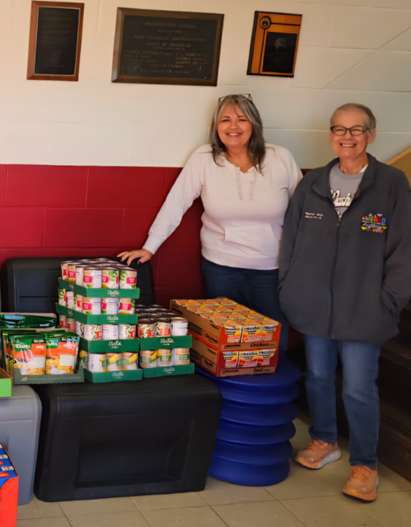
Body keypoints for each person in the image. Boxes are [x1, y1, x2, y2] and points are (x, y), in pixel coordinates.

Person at [280, 103, 411, 502]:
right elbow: (290, 238)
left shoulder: (391, 182)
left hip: (365, 308)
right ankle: (324, 440)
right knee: (318, 376)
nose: (347, 136)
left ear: (371, 135)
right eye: (339, 129)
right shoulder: (314, 182)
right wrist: (290, 286)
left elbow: (404, 250)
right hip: (314, 304)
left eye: (356, 129)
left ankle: (365, 464)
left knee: (359, 387)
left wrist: (389, 302)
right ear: (331, 135)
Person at [119, 94, 302, 351]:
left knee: (273, 338)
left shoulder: (280, 157)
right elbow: (176, 204)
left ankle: (269, 389)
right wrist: (150, 247)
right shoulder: (204, 158)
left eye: (241, 119)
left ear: (255, 124)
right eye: (225, 119)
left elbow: (303, 212)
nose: (233, 126)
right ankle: (228, 392)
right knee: (225, 342)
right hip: (222, 267)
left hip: (271, 267)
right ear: (216, 126)